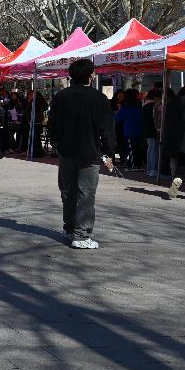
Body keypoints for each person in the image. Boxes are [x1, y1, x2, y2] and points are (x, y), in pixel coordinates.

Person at [47, 58, 116, 250]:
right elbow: (107, 128)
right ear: (90, 75)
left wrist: (56, 144)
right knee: (86, 194)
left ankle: (69, 229)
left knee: (68, 192)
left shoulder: (61, 97)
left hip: (66, 152)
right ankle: (81, 234)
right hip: (89, 152)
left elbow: (52, 125)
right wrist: (109, 151)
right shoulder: (98, 98)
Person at [113, 88, 144, 170]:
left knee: (131, 149)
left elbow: (118, 119)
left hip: (129, 131)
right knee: (137, 148)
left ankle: (133, 165)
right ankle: (136, 164)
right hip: (140, 130)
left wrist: (118, 111)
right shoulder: (140, 106)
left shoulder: (126, 107)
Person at [142, 88, 162, 178]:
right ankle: (153, 169)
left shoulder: (145, 105)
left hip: (146, 131)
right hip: (153, 131)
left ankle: (149, 169)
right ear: (155, 97)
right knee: (154, 150)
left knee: (150, 150)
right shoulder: (154, 105)